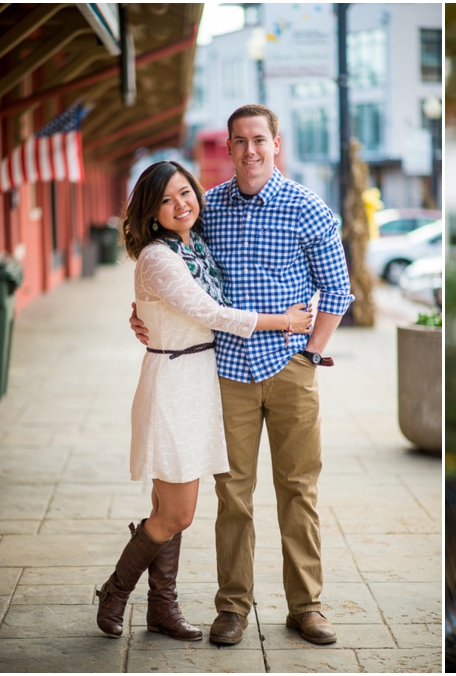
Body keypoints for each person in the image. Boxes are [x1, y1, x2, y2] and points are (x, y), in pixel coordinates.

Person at [131, 104, 353, 645]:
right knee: (233, 496)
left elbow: (339, 292)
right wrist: (143, 314)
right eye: (239, 141)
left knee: (298, 489)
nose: (249, 150)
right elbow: (175, 266)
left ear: (276, 143)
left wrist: (311, 354)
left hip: (290, 371)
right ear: (228, 148)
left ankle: (307, 606)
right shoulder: (208, 208)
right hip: (225, 372)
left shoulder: (308, 208)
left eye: (259, 140)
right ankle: (232, 606)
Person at [97, 161, 312, 640]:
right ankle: (114, 593)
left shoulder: (195, 246)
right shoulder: (159, 256)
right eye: (167, 200)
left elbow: (188, 306)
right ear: (151, 214)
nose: (181, 205)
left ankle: (162, 609)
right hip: (174, 383)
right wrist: (284, 321)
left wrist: (142, 315)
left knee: (165, 506)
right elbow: (209, 312)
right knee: (177, 513)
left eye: (185, 193)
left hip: (199, 381)